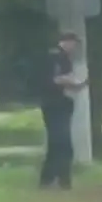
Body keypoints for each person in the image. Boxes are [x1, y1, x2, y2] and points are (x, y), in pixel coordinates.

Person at [39, 31, 87, 190]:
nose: (74, 47)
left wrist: (76, 84)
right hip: (53, 105)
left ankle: (49, 179)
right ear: (66, 41)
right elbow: (54, 79)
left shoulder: (64, 58)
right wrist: (71, 81)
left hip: (59, 103)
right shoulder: (55, 56)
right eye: (73, 43)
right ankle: (62, 180)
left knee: (56, 144)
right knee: (63, 143)